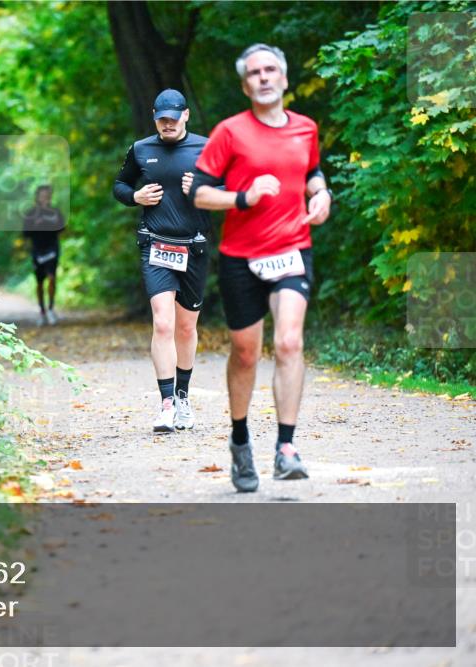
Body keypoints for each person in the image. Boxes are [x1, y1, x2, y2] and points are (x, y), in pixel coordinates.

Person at [190, 44, 332, 491]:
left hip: (292, 249)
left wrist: (321, 193)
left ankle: (286, 448)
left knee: (289, 342)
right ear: (245, 84)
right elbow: (198, 193)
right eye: (255, 73)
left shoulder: (306, 128)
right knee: (247, 353)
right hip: (240, 258)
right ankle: (240, 441)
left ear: (285, 78)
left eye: (271, 70)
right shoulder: (230, 133)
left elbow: (311, 170)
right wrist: (243, 197)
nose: (264, 77)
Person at [113, 89, 211, 433]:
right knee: (163, 324)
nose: (167, 124)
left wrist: (201, 188)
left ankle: (183, 397)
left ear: (186, 115)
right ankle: (166, 404)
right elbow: (120, 185)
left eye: (173, 118)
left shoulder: (207, 147)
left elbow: (229, 188)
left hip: (194, 247)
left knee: (186, 328)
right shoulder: (141, 149)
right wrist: (134, 196)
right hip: (155, 244)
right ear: (155, 117)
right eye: (161, 119)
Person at [22, 185, 65, 326]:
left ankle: (51, 308)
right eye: (42, 195)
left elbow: (62, 228)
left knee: (52, 278)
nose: (45, 197)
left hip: (52, 248)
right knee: (39, 282)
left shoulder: (55, 212)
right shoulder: (31, 213)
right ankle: (42, 311)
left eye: (48, 195)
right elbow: (25, 233)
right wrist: (36, 224)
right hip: (37, 250)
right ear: (37, 197)